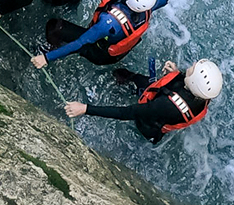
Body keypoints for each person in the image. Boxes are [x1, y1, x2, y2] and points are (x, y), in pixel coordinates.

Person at [63, 60, 223, 143]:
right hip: (163, 104)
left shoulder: (165, 106)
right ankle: (128, 81)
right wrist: (176, 73)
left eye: (194, 68)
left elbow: (126, 112)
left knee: (136, 111)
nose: (194, 64)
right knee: (128, 76)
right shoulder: (201, 96)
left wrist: (85, 108)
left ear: (193, 82)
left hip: (149, 123)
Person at [32, 0, 165, 69]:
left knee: (54, 27)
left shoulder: (109, 22)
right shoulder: (149, 4)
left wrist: (47, 58)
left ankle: (52, 47)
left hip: (100, 53)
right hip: (118, 50)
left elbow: (80, 42)